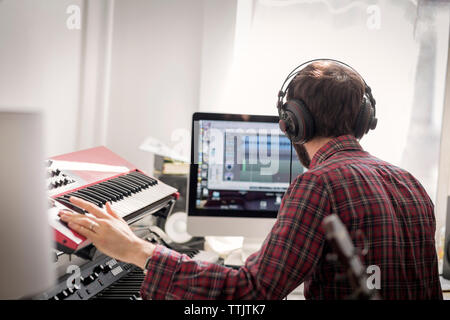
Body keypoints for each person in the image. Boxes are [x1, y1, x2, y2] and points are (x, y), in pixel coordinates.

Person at [59, 60, 442, 299]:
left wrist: (137, 250)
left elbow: (252, 291)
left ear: (292, 123)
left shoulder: (319, 183)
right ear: (364, 121)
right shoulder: (408, 181)